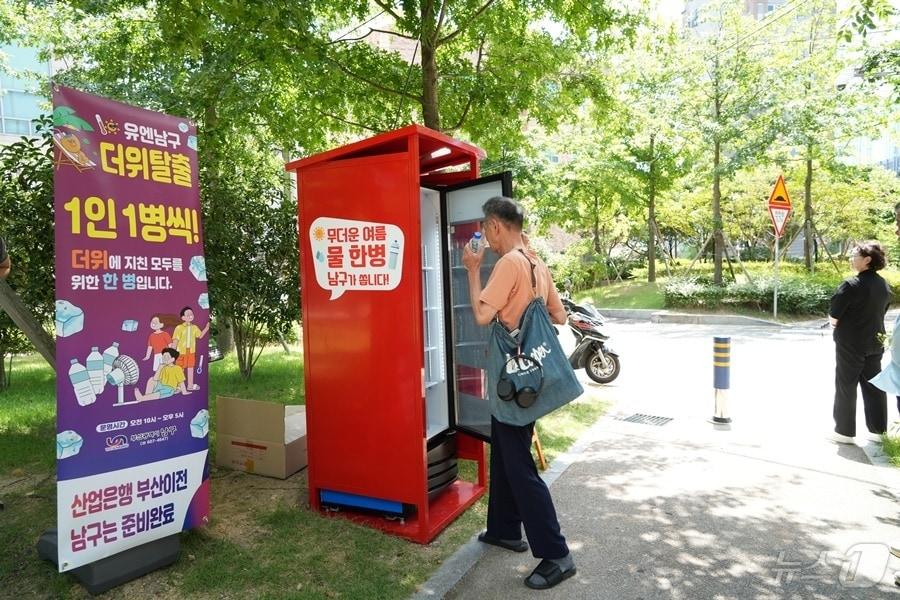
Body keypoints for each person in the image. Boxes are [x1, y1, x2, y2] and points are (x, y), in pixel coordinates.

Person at [462, 196, 576, 590]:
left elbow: (480, 315)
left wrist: (473, 270)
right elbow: (558, 315)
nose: (487, 244)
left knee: (519, 466)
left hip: (511, 382)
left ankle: (557, 554)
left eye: (487, 233)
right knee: (507, 452)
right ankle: (504, 528)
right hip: (525, 381)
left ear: (495, 226)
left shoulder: (509, 262)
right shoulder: (534, 262)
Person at [828, 241, 891, 444]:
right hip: (875, 341)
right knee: (874, 386)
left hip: (850, 344)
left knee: (846, 384)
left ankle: (844, 432)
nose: (851, 259)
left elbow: (834, 314)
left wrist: (834, 324)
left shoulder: (851, 284)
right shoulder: (884, 285)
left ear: (867, 260)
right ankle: (878, 431)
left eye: (855, 255)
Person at [171, 306, 209, 391]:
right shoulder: (179, 328)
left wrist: (206, 328)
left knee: (190, 368)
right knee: (179, 369)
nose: (190, 316)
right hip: (180, 352)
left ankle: (190, 385)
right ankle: (178, 386)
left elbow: (200, 336)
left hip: (191, 351)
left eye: (191, 314)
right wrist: (172, 352)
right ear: (183, 317)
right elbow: (175, 340)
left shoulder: (194, 327)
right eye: (188, 314)